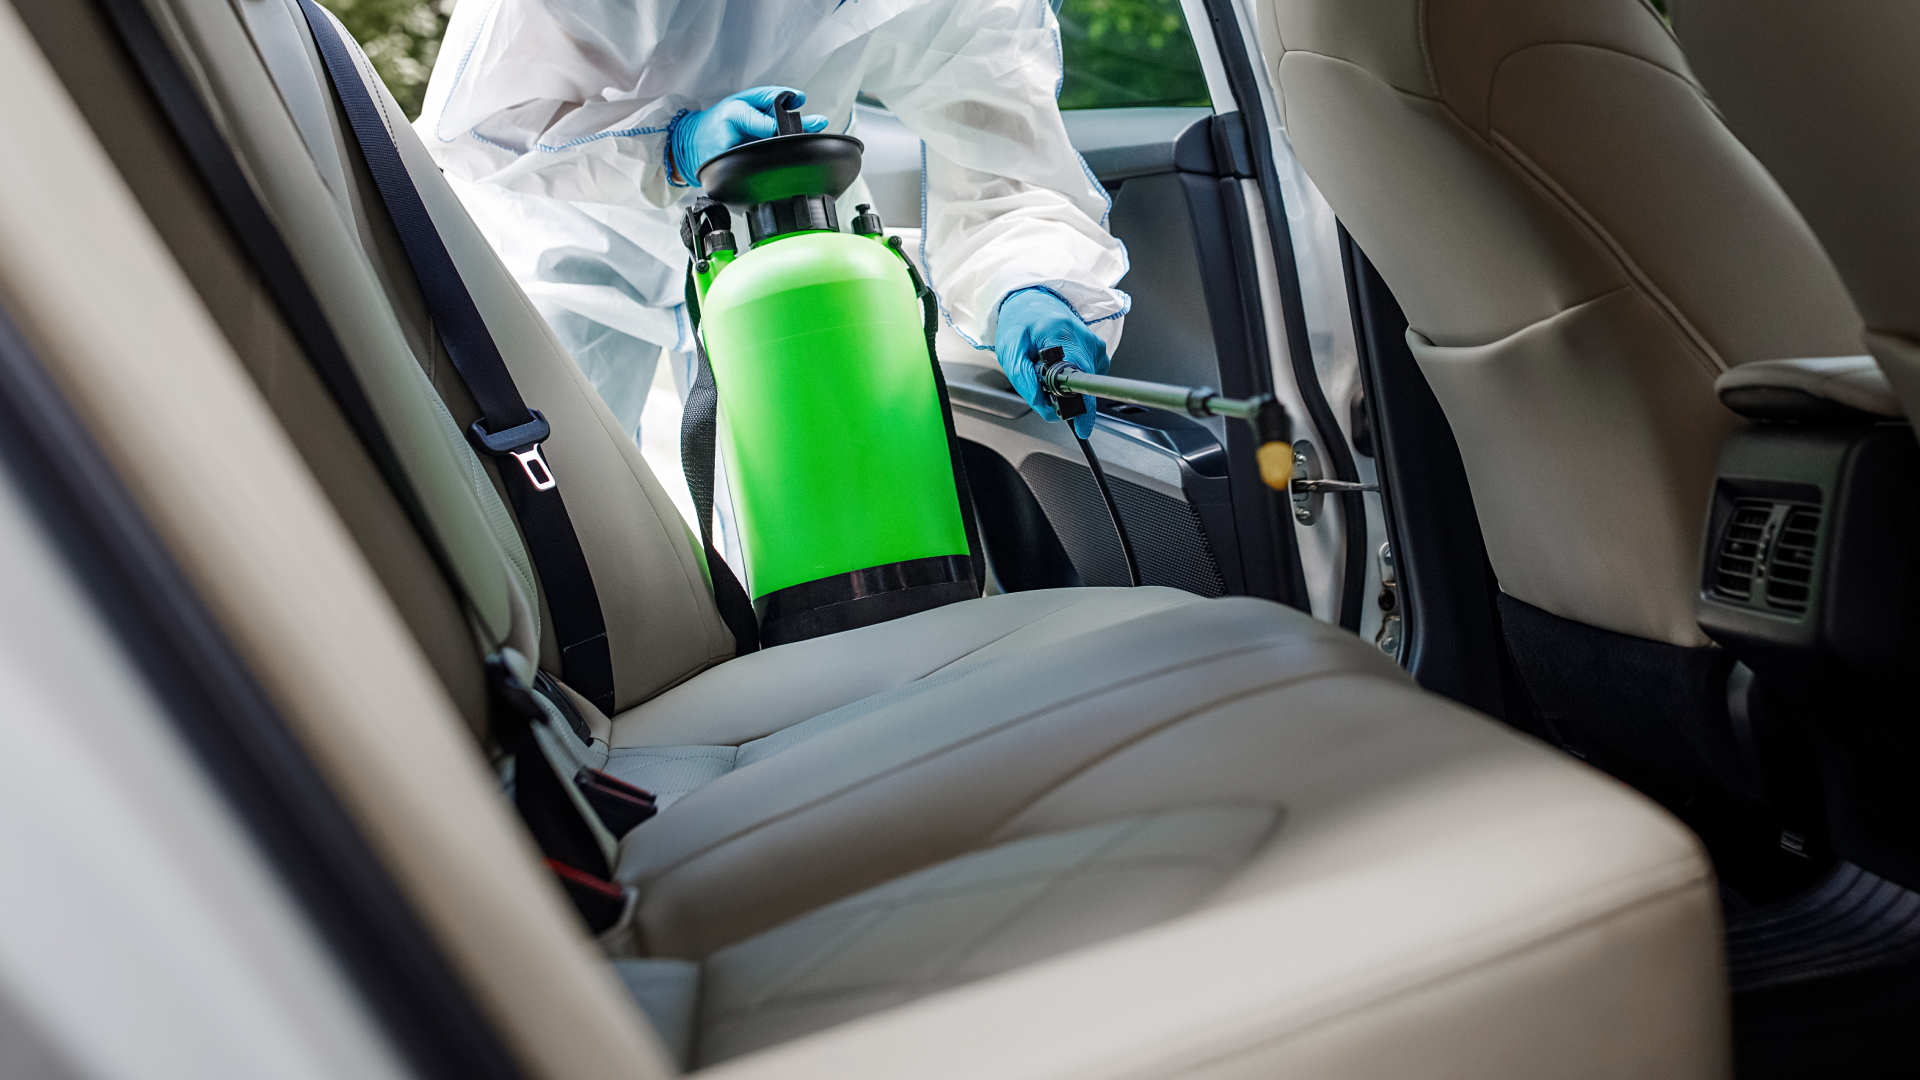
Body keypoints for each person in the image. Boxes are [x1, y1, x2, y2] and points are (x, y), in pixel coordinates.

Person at [415, 0, 1128, 449]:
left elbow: (1001, 161)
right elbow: (476, 125)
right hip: (572, 231)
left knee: (811, 520)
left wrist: (1030, 284)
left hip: (784, 232)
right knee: (571, 511)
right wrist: (670, 145)